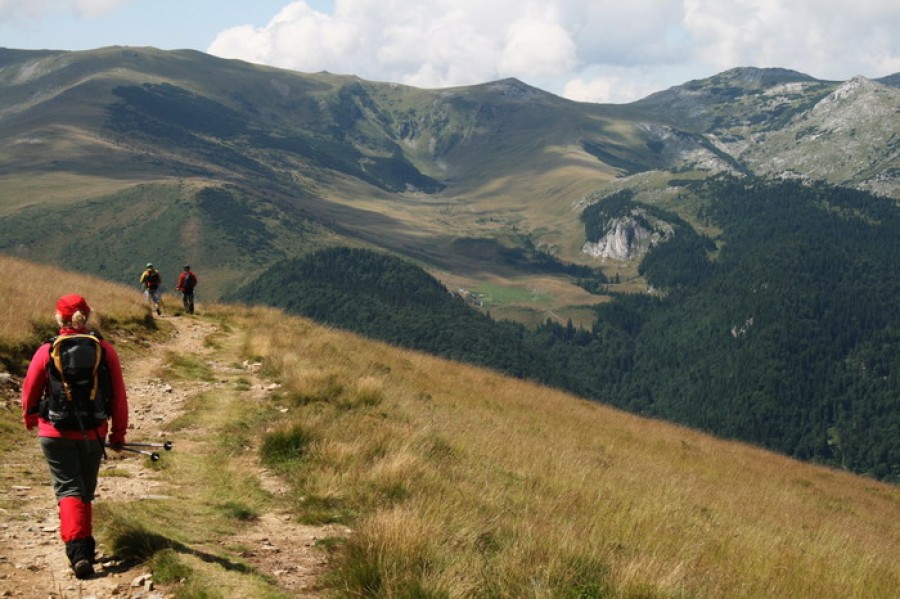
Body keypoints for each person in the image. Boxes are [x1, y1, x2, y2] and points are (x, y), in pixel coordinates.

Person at [21, 294, 128, 579]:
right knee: (84, 491)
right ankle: (84, 548)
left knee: (69, 490)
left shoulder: (47, 350)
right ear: (87, 316)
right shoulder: (104, 350)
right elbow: (118, 396)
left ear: (59, 318)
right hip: (94, 433)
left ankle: (79, 551)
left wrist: (30, 418)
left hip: (55, 432)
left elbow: (31, 387)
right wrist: (118, 433)